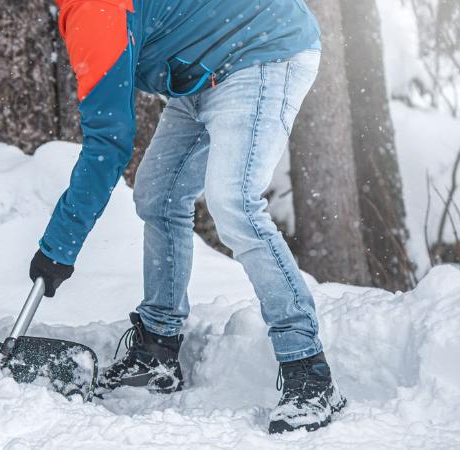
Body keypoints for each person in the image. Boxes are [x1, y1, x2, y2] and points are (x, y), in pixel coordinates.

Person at [28, 0, 346, 434]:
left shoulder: (95, 10)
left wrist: (58, 247)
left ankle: (310, 373)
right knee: (159, 196)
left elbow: (108, 144)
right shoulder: (89, 11)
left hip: (262, 48)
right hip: (201, 72)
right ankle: (158, 350)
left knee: (234, 202)